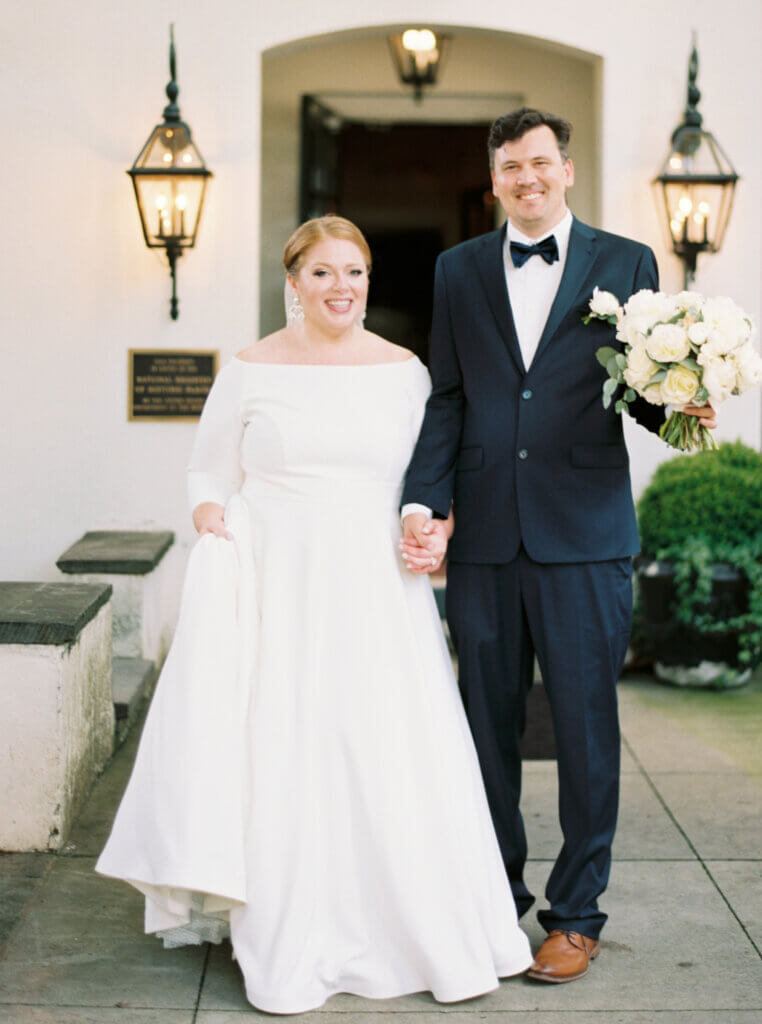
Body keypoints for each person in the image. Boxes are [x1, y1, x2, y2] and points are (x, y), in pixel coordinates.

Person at [96, 215, 533, 1013]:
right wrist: (207, 516)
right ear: (293, 283)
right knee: (290, 742)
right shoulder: (249, 369)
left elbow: (430, 478)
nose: (343, 288)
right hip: (278, 581)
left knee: (382, 742)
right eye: (324, 273)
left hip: (374, 587)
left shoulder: (404, 371)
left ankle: (408, 923)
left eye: (356, 272)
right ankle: (291, 923)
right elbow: (207, 467)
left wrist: (431, 526)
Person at [400, 108, 718, 984]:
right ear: (495, 178)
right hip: (486, 536)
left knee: (583, 730)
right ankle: (493, 900)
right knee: (484, 730)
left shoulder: (626, 262)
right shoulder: (457, 269)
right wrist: (426, 500)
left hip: (584, 532)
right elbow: (448, 395)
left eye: (540, 162)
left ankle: (576, 916)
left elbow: (640, 381)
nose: (527, 178)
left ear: (566, 170)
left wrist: (681, 407)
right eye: (510, 167)